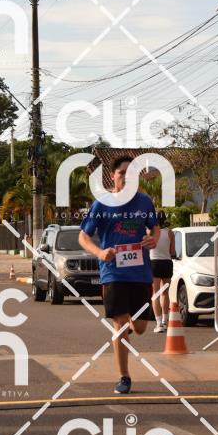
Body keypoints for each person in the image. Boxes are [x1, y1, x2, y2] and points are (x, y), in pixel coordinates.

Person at [79, 156, 159, 395]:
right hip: (113, 273)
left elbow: (155, 227)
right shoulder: (102, 204)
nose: (127, 177)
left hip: (140, 274)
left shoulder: (144, 202)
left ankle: (127, 329)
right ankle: (124, 377)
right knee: (121, 325)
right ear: (113, 176)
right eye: (123, 173)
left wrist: (153, 238)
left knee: (141, 327)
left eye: (132, 173)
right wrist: (99, 252)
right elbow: (83, 236)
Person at [150, 210, 175, 333]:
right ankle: (165, 321)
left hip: (154, 263)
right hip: (167, 263)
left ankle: (159, 323)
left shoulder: (150, 232)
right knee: (165, 293)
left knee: (155, 294)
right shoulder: (170, 233)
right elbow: (172, 251)